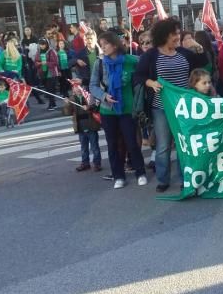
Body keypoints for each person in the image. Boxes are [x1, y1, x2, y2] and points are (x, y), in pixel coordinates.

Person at [134, 17, 207, 192]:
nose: (178, 37)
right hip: (161, 107)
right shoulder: (151, 55)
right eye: (174, 34)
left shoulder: (184, 53)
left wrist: (200, 49)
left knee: (184, 143)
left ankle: (185, 178)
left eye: (178, 33)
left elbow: (203, 66)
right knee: (163, 145)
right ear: (164, 35)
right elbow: (138, 76)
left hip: (184, 107)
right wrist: (151, 83)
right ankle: (163, 179)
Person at [90, 31, 146, 189]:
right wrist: (103, 96)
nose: (103, 48)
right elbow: (92, 86)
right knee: (113, 144)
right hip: (108, 111)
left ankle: (140, 172)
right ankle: (118, 176)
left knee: (132, 143)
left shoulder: (131, 60)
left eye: (105, 44)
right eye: (101, 45)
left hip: (128, 109)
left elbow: (148, 64)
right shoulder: (99, 63)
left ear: (115, 44)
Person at [63, 80, 102, 172]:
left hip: (91, 125)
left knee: (94, 146)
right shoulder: (72, 99)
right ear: (73, 90)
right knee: (83, 147)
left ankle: (97, 163)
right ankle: (85, 163)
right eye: (75, 87)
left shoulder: (89, 97)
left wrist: (88, 107)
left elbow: (96, 107)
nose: (78, 89)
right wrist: (67, 104)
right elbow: (67, 112)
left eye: (79, 87)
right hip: (80, 126)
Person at [35, 38, 59, 110]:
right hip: (42, 73)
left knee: (50, 89)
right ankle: (53, 104)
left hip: (51, 73)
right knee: (48, 90)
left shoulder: (51, 51)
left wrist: (46, 63)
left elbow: (56, 63)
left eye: (43, 44)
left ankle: (51, 105)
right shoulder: (38, 52)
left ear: (47, 44)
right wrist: (39, 64)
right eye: (40, 44)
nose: (42, 46)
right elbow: (35, 62)